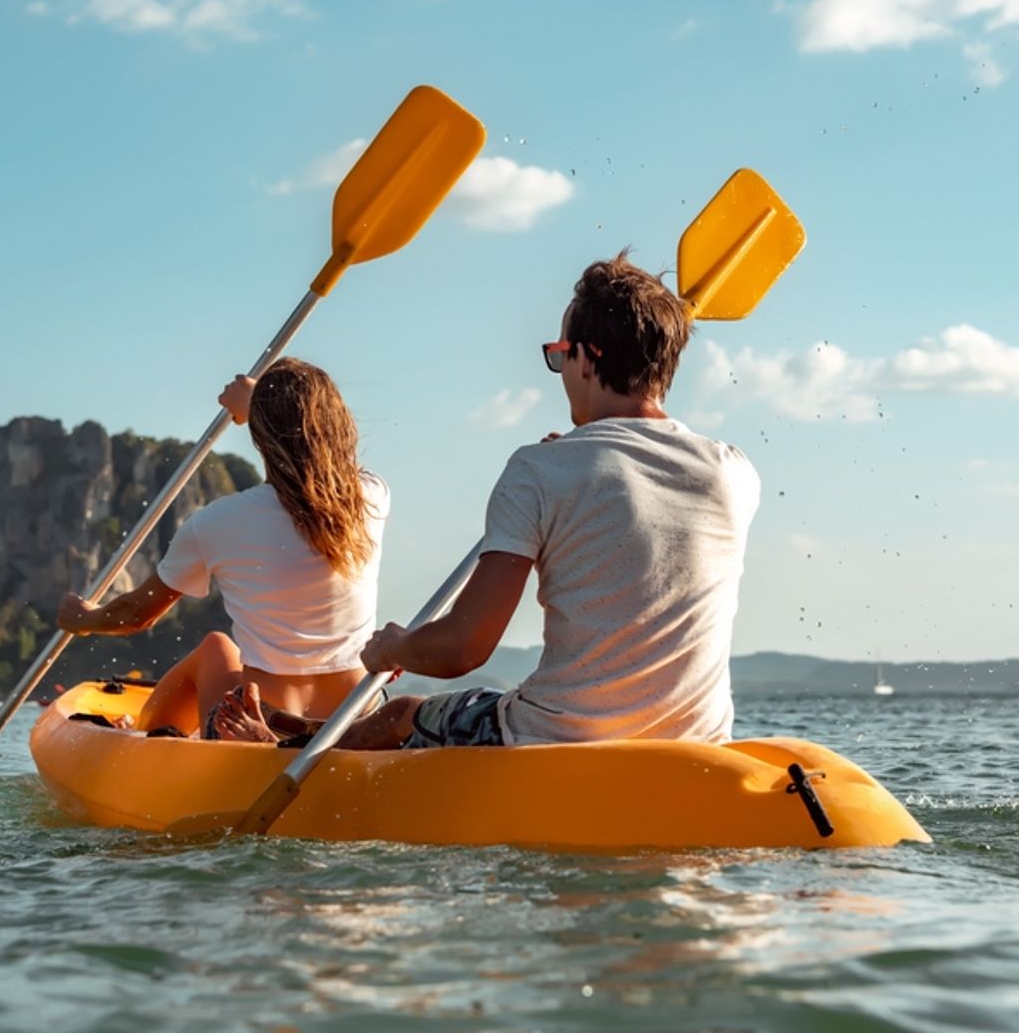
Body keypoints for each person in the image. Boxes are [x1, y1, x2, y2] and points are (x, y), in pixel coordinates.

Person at [263, 250, 759, 750]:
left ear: (586, 359)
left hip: (551, 736)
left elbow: (463, 647)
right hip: (695, 743)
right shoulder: (733, 471)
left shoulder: (536, 471)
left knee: (405, 714)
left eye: (559, 355)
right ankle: (308, 733)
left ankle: (288, 752)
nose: (560, 369)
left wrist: (394, 648)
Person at [55, 357, 388, 740]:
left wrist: (84, 620)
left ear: (263, 433)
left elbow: (136, 615)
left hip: (261, 725)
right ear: (339, 424)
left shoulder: (215, 523)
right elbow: (322, 463)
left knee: (216, 647)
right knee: (224, 651)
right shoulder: (372, 497)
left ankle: (144, 742)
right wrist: (260, 408)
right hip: (358, 720)